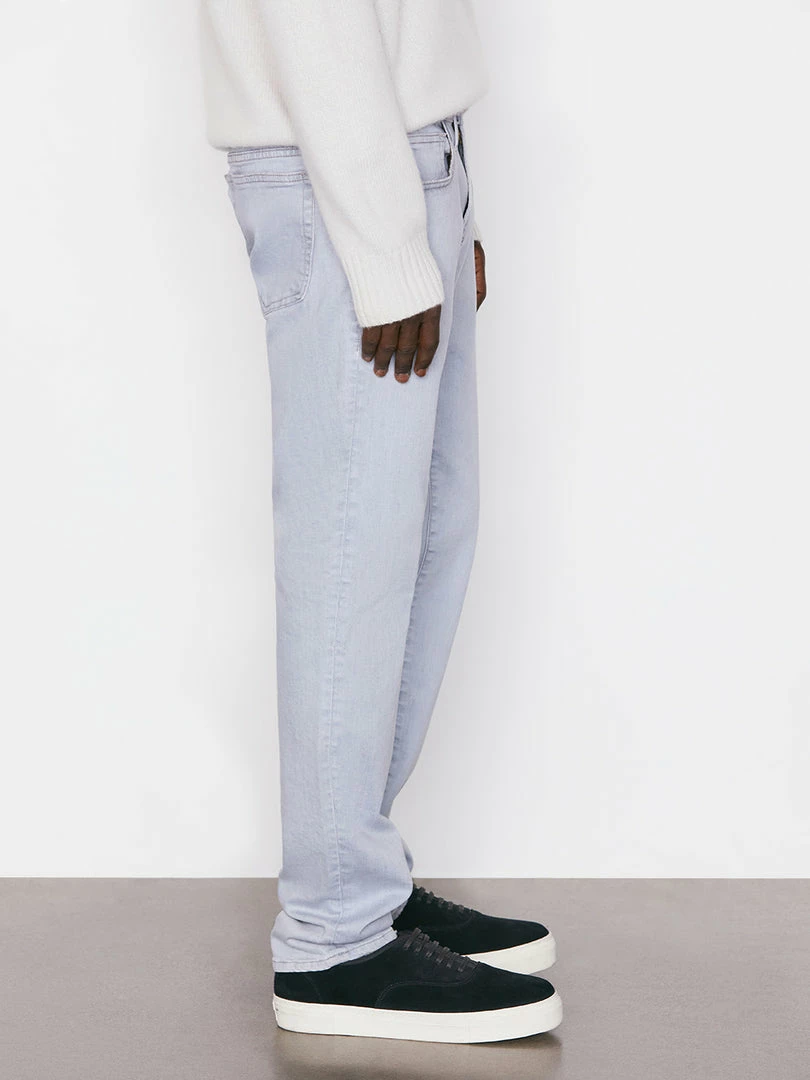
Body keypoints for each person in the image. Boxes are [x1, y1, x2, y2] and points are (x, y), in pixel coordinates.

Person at [199, 0, 562, 1043]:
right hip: (343, 176)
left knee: (428, 537)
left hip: (403, 160)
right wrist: (390, 237)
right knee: (350, 557)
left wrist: (443, 217)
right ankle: (333, 935)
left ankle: (361, 877)